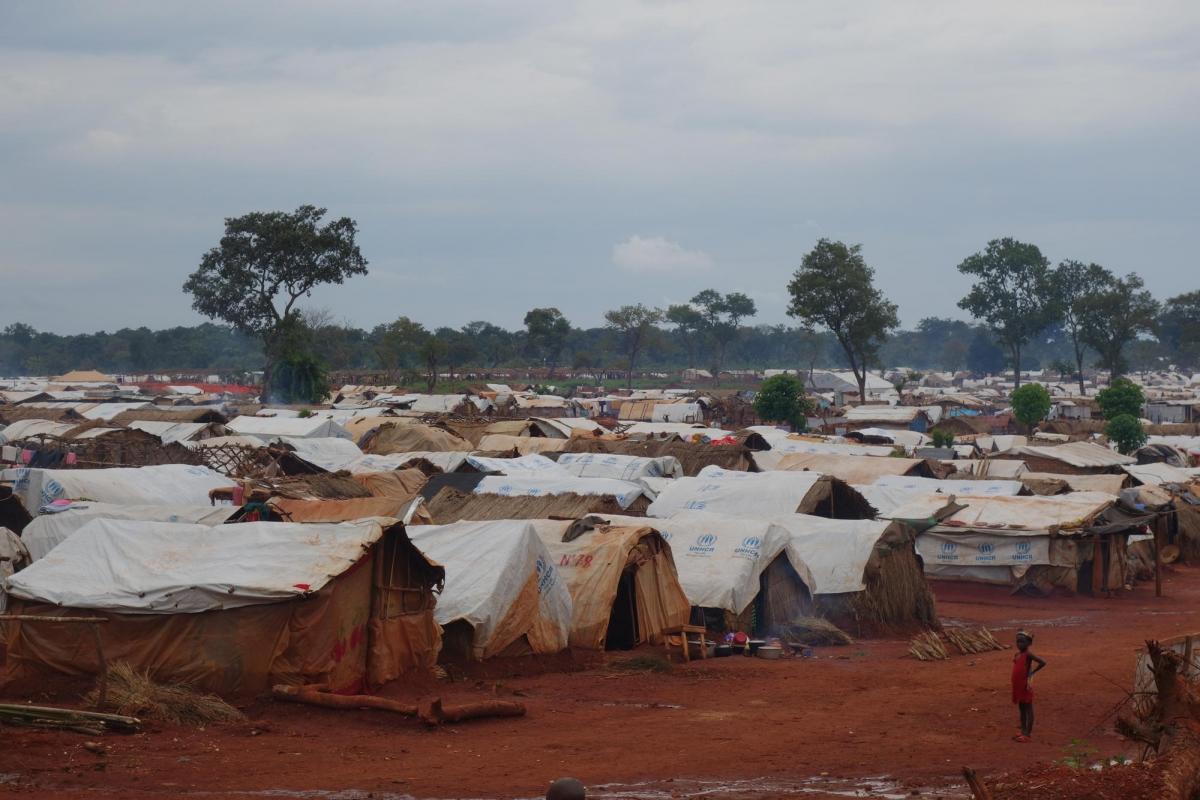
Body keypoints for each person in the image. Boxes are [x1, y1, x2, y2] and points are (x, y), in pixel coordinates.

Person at [1011, 630, 1046, 742]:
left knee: (1028, 708)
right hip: (1018, 685)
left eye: (1022, 642)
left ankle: (1027, 734)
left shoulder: (1028, 654)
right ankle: (1023, 731)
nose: (1019, 644)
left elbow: (1042, 662)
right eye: (1018, 642)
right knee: (1021, 709)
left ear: (1028, 643)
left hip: (1026, 685)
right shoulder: (1017, 655)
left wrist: (1032, 672)